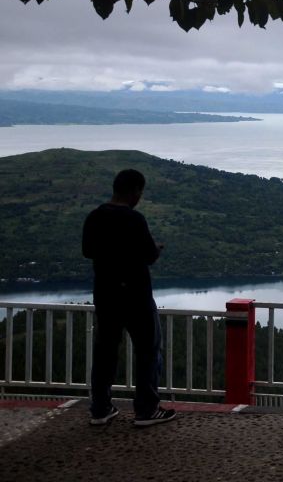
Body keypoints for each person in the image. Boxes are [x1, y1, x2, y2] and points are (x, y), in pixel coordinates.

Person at [82, 169, 177, 427]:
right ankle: (146, 410)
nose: (140, 197)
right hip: (137, 296)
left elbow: (88, 251)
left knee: (105, 353)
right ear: (135, 191)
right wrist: (154, 250)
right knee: (147, 351)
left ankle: (100, 408)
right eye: (140, 192)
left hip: (106, 296)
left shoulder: (95, 216)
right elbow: (148, 256)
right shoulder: (134, 219)